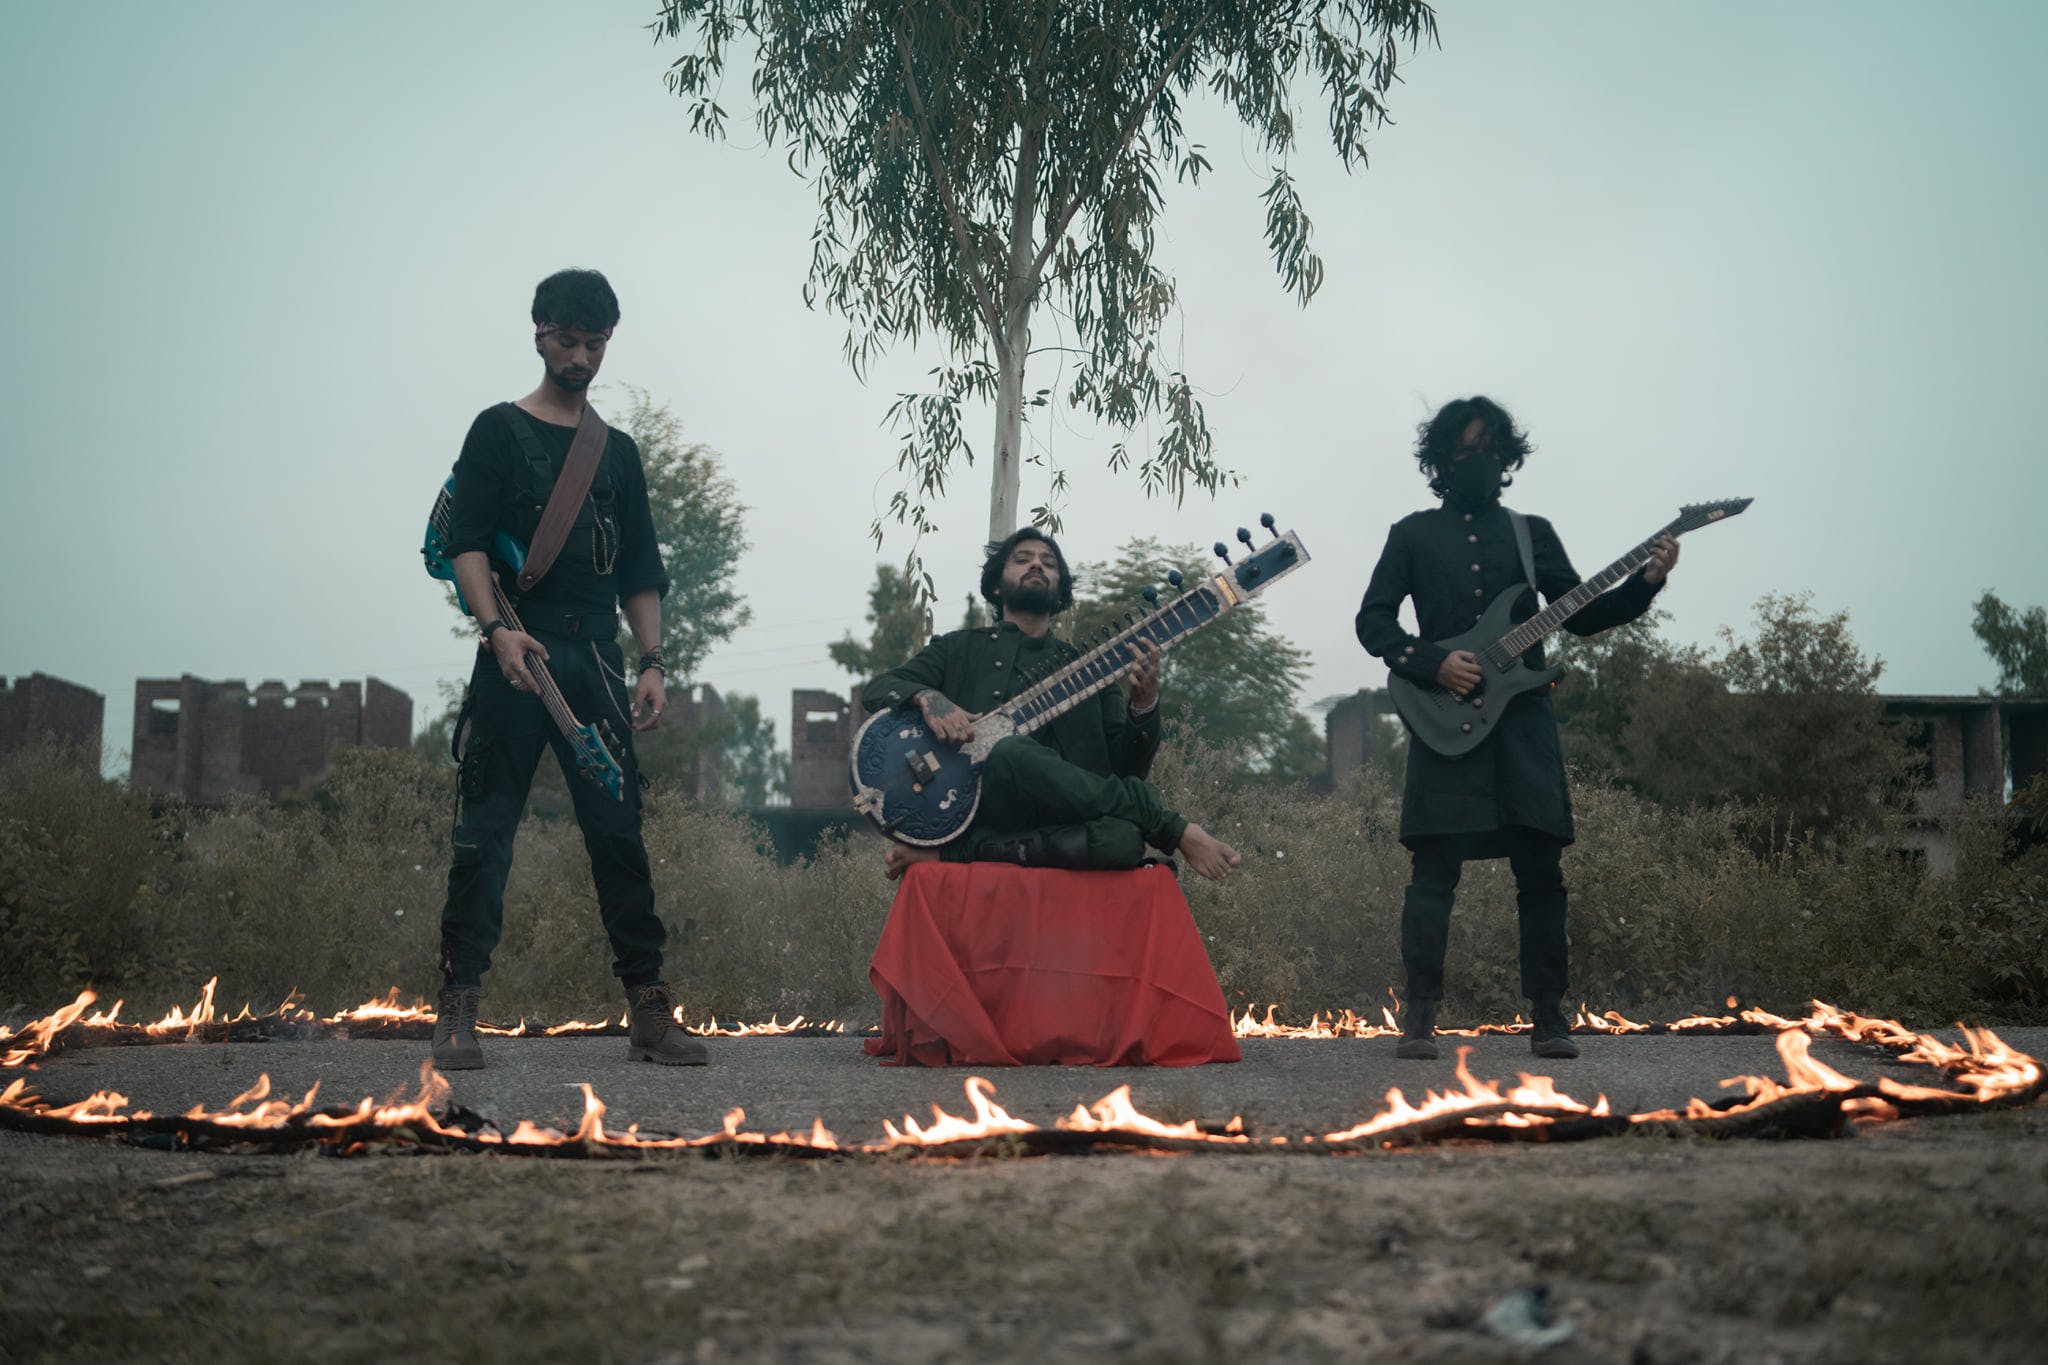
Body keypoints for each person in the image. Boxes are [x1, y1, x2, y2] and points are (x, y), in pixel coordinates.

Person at [428, 268, 705, 1071]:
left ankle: (650, 1011)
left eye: (596, 343)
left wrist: (652, 661)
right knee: (484, 834)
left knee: (620, 838)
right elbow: (464, 543)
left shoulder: (616, 453)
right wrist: (495, 633)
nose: (582, 355)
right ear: (539, 333)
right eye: (568, 339)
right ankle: (457, 1008)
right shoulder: (495, 431)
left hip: (598, 663)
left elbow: (643, 569)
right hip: (516, 653)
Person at [1355, 397, 1678, 1061]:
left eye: (1490, 449)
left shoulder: (1534, 534)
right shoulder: (1412, 535)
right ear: (1442, 461)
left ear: (1508, 460)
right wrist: (1435, 662)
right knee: (1432, 873)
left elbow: (1581, 615)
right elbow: (1374, 624)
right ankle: (1418, 1017)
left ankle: (1550, 1018)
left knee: (1541, 871)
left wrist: (1646, 582)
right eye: (1466, 450)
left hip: (1523, 725)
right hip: (1444, 721)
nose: (1479, 461)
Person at [863, 529, 1242, 883]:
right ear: (996, 584)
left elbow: (1127, 770)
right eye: (1023, 558)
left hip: (1057, 825)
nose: (1037, 565)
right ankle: (1173, 829)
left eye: (1048, 561)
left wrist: (1143, 705)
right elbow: (880, 688)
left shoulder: (1091, 671)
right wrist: (930, 698)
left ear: (1060, 588)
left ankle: (957, 855)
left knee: (1122, 839)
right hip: (978, 809)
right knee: (1008, 750)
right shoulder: (959, 649)